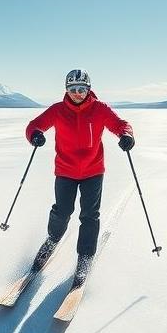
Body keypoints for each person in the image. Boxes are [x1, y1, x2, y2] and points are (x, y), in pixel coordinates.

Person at [25, 69, 134, 286]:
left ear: (88, 89)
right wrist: (35, 135)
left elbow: (120, 125)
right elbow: (33, 126)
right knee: (62, 211)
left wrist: (126, 135)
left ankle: (85, 255)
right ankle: (52, 239)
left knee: (89, 215)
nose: (77, 93)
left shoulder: (99, 109)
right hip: (65, 170)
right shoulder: (57, 110)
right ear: (66, 90)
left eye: (81, 89)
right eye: (73, 89)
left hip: (93, 171)